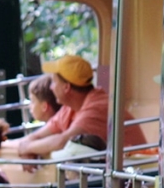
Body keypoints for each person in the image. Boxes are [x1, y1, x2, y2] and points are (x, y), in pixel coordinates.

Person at [12, 54, 145, 158]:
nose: (51, 88)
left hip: (136, 173)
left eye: (53, 82)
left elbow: (62, 142)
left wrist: (27, 148)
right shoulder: (69, 107)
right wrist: (27, 148)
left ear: (66, 87)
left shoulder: (98, 108)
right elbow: (38, 136)